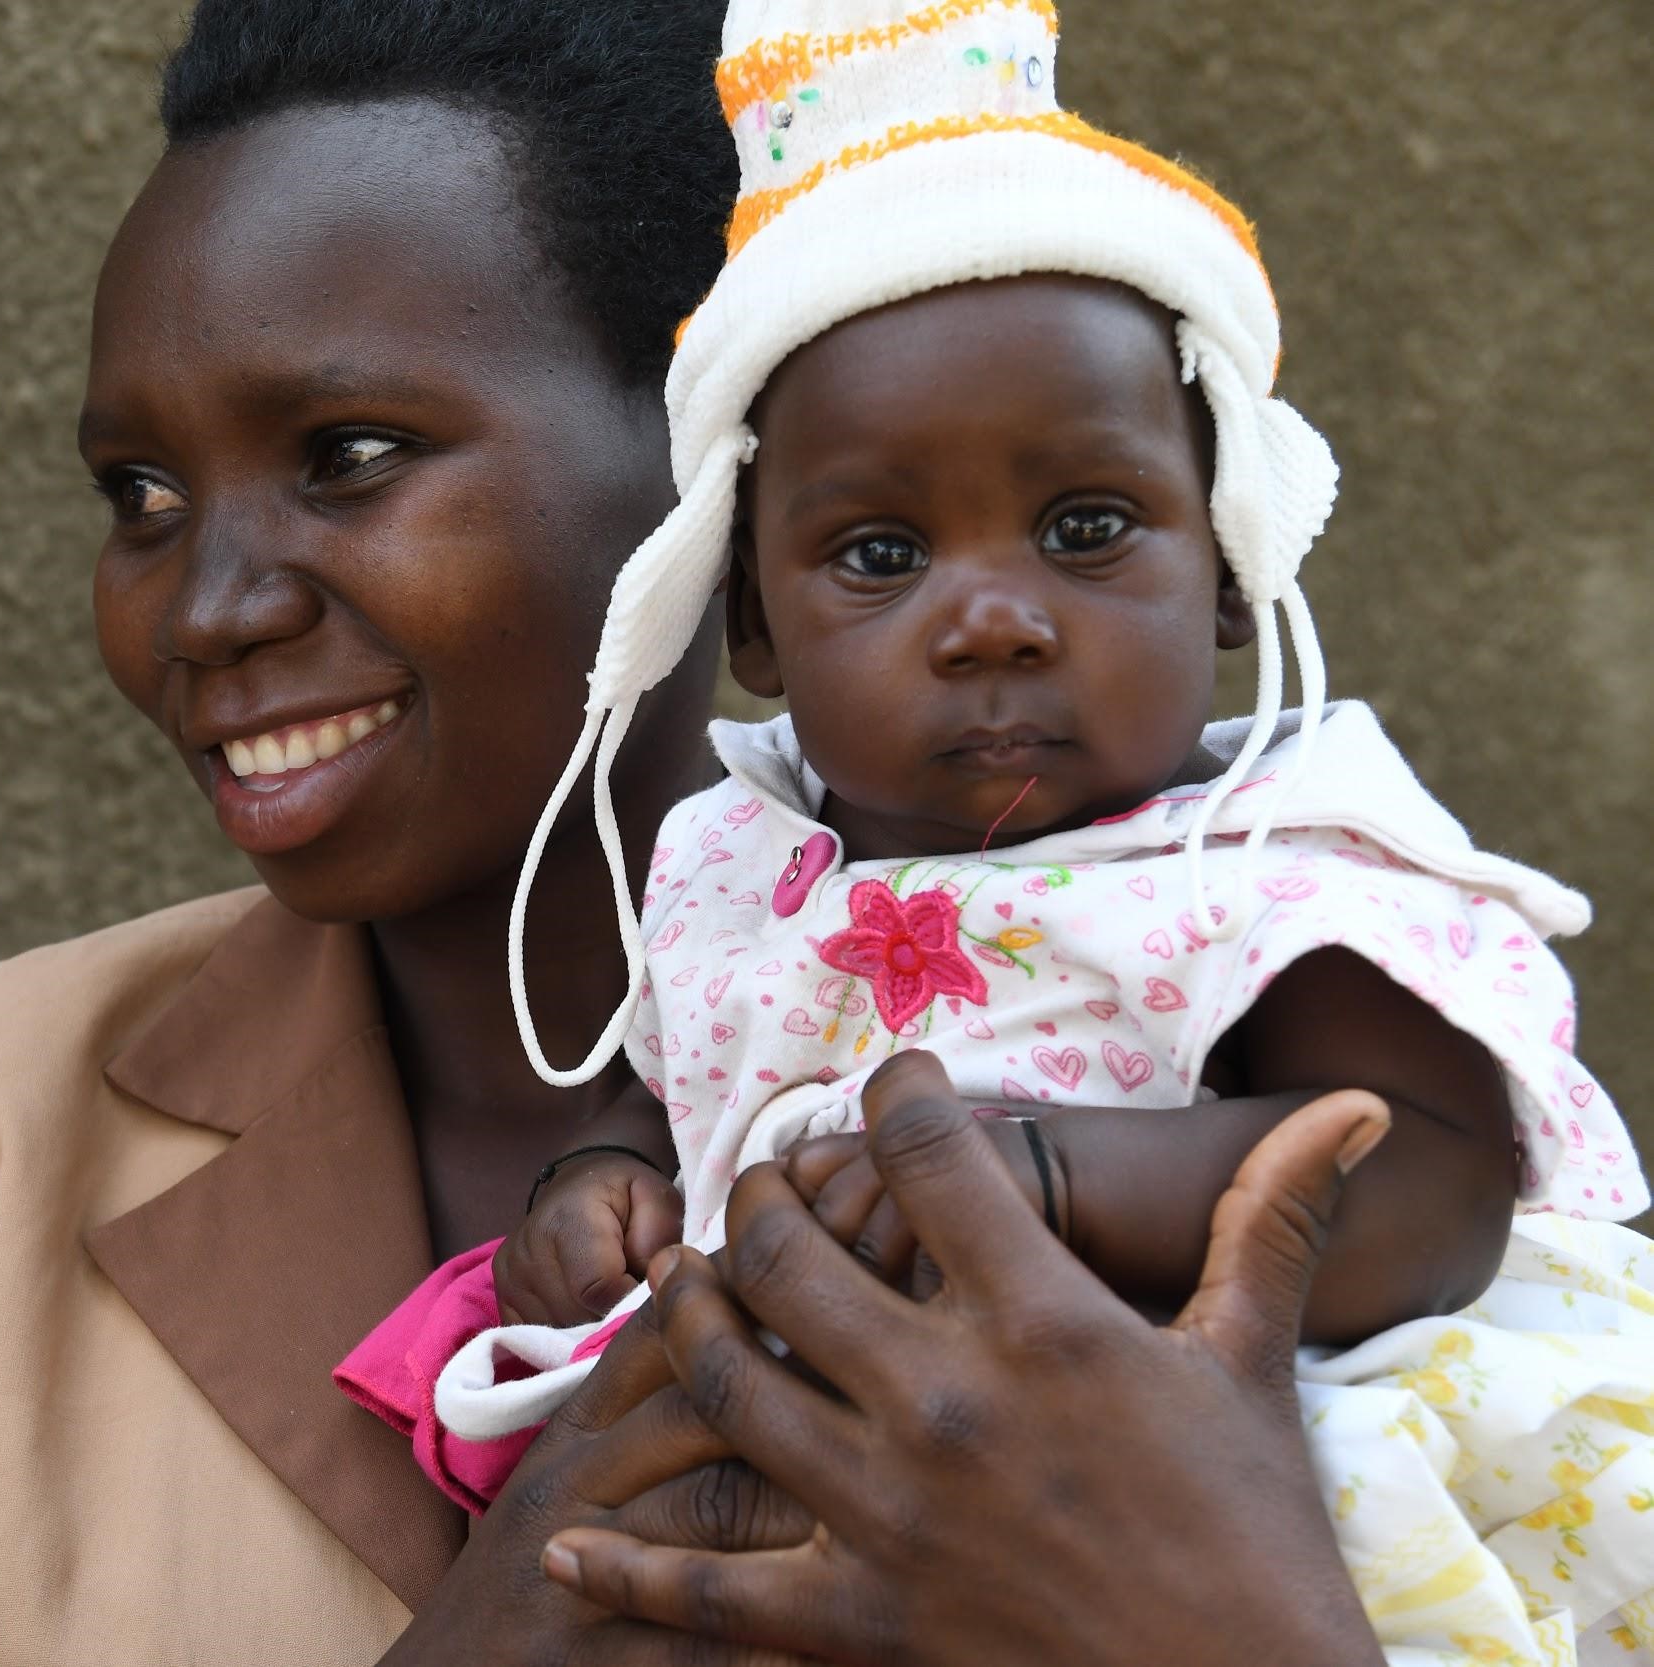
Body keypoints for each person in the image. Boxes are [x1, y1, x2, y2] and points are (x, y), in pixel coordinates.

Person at [0, 2, 1488, 1663]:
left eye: (350, 456)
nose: (205, 604)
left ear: (711, 466)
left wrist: (1228, 1621)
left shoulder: (1231, 979)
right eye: (137, 492)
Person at [345, 3, 1654, 1660]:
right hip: (844, 1516)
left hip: (1223, 1523)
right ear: (752, 627)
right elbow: (681, 1074)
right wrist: (604, 1180)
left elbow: (1433, 1181)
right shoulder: (738, 867)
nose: (992, 622)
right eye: (881, 555)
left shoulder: (1271, 867)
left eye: (1086, 527)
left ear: (1233, 569)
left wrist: (1055, 1177)